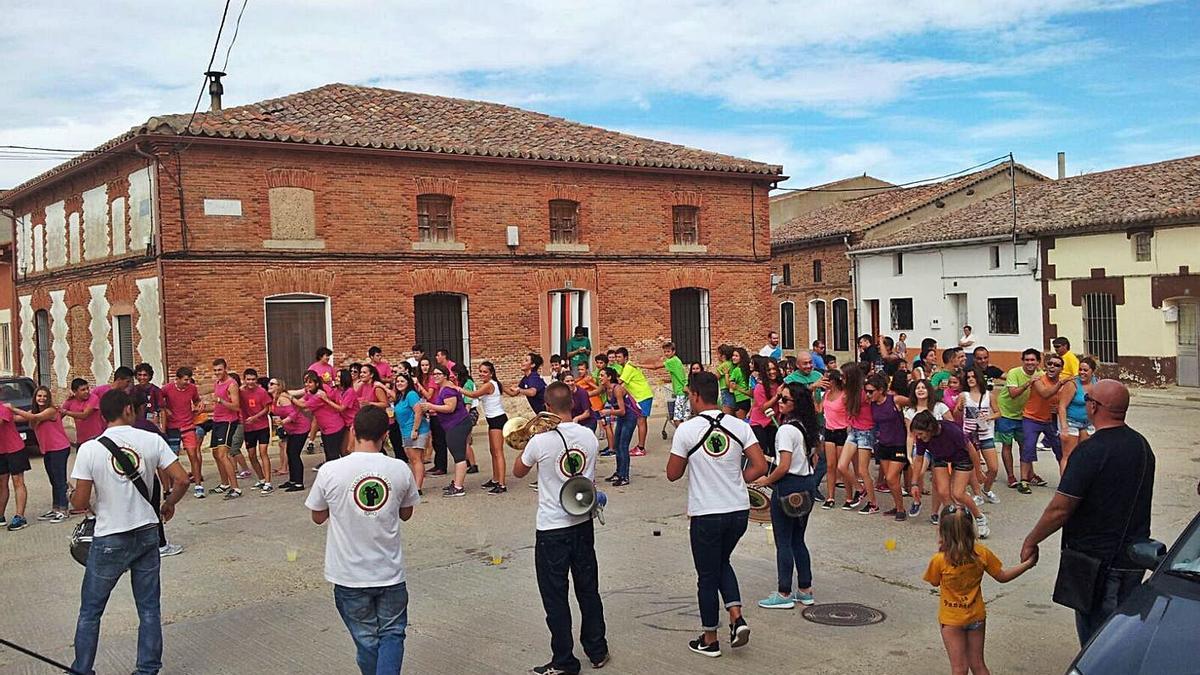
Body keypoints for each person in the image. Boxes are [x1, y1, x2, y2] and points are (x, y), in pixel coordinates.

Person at [1021, 379, 1154, 646]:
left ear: (1095, 407)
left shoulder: (1091, 451)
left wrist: (1032, 540)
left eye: (1088, 399)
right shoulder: (1141, 445)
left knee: (1098, 644)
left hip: (1097, 565)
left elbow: (1060, 509)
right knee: (1123, 636)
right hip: (1133, 558)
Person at [69, 389, 189, 675]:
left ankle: (82, 668)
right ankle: (147, 669)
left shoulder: (90, 449)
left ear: (102, 415)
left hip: (110, 535)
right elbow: (182, 479)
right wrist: (168, 503)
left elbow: (80, 503)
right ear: (127, 410)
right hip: (147, 531)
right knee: (148, 608)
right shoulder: (151, 440)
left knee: (91, 611)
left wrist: (75, 494)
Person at [305, 406, 420, 675]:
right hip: (389, 571)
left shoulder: (330, 471)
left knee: (367, 640)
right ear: (385, 434)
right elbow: (406, 513)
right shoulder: (399, 469)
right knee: (392, 634)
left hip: (349, 574)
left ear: (353, 430)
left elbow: (317, 516)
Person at [666, 371, 768, 658]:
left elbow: (672, 474)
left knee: (707, 576)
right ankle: (737, 618)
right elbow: (760, 466)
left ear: (696, 396)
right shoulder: (739, 425)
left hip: (707, 512)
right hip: (738, 510)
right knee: (722, 561)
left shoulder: (686, 430)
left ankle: (710, 638)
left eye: (689, 395)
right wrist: (736, 479)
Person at [510, 382, 609, 674]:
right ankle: (597, 649)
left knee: (555, 595)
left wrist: (532, 436)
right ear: (574, 405)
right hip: (582, 522)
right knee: (588, 589)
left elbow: (518, 471)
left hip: (552, 527)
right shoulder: (589, 436)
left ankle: (564, 660)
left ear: (547, 407)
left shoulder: (540, 441)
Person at [926, 507, 1035, 675]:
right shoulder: (981, 553)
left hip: (952, 619)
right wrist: (1027, 564)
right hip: (976, 615)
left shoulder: (939, 560)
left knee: (959, 668)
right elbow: (1002, 576)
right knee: (978, 665)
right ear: (971, 528)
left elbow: (934, 582)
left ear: (942, 531)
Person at [753, 382, 820, 608]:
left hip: (789, 485)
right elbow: (815, 458)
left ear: (795, 404)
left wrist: (766, 480)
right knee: (798, 539)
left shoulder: (785, 430)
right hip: (807, 484)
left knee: (784, 542)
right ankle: (805, 588)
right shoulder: (807, 427)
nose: (779, 402)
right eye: (780, 398)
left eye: (784, 399)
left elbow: (783, 466)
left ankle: (783, 593)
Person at [911, 412, 989, 537]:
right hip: (940, 457)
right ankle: (954, 523)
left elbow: (971, 449)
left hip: (962, 457)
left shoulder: (952, 430)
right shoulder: (922, 438)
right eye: (917, 434)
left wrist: (978, 471)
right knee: (943, 492)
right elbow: (918, 459)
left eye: (920, 434)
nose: (918, 437)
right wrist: (914, 483)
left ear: (930, 428)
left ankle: (980, 518)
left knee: (958, 493)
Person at [11, 386, 72, 523]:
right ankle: (56, 508)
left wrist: (13, 408)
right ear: (35, 397)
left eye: (45, 396)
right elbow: (18, 418)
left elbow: (33, 417)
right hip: (48, 449)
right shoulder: (33, 411)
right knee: (53, 480)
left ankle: (64, 509)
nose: (42, 398)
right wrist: (5, 411)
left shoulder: (51, 411)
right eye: (39, 396)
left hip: (60, 448)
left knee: (59, 480)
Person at [420, 366, 471, 497]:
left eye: (438, 374)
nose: (435, 376)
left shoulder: (448, 389)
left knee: (459, 456)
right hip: (453, 425)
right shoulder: (444, 387)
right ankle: (456, 483)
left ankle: (459, 487)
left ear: (445, 375)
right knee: (457, 454)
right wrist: (434, 409)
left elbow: (450, 407)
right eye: (434, 374)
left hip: (457, 424)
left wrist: (432, 406)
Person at [458, 361, 507, 494]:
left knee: (498, 452)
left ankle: (502, 484)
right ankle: (496, 479)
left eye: (485, 372)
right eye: (480, 371)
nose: (482, 374)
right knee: (493, 451)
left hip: (498, 419)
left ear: (491, 373)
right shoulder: (493, 384)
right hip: (492, 419)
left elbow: (474, 395)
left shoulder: (490, 384)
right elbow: (510, 392)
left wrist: (458, 389)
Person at [836, 364, 878, 514]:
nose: (841, 379)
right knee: (842, 466)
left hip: (866, 431)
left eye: (843, 376)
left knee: (862, 470)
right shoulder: (849, 393)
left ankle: (873, 504)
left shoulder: (863, 392)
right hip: (854, 431)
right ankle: (860, 490)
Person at [867, 373, 908, 520]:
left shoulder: (895, 400)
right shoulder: (871, 404)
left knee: (891, 478)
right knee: (891, 481)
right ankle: (897, 507)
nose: (868, 394)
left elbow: (915, 405)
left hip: (899, 444)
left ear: (881, 390)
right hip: (883, 445)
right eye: (867, 391)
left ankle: (901, 509)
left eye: (871, 391)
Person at [957, 367, 1001, 506]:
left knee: (993, 468)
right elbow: (956, 415)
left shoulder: (989, 395)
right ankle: (977, 494)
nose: (970, 379)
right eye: (968, 377)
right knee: (974, 468)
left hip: (985, 434)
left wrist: (989, 417)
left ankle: (986, 489)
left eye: (973, 377)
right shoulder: (964, 395)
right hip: (969, 436)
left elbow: (998, 413)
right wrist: (959, 407)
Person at [997, 349, 1039, 492]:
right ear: (1022, 361)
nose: (1029, 363)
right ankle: (1010, 476)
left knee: (1025, 445)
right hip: (1006, 413)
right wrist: (1028, 383)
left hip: (1025, 415)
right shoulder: (1014, 373)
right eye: (1027, 360)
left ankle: (1029, 474)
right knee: (1007, 445)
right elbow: (1013, 393)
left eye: (1032, 360)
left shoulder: (1041, 375)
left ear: (1038, 362)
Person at [1021, 354, 1066, 487]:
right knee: (1028, 447)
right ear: (1046, 366)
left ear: (1061, 369)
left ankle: (1066, 481)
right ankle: (1024, 481)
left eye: (1057, 365)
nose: (1052, 367)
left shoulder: (1063, 385)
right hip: (1031, 418)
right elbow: (1045, 394)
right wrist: (1059, 385)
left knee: (1059, 449)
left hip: (1049, 420)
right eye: (1050, 364)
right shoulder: (1038, 380)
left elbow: (1064, 403)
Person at [161, 368, 203, 498]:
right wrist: (165, 410)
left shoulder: (192, 388)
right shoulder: (167, 388)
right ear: (177, 379)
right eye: (185, 380)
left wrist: (199, 405)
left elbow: (196, 400)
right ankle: (173, 486)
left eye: (189, 379)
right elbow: (159, 401)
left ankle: (198, 485)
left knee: (193, 454)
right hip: (172, 427)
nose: (187, 382)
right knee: (173, 457)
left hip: (188, 425)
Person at [293, 369, 347, 466]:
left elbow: (303, 405)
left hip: (334, 427)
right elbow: (301, 401)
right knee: (329, 455)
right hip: (325, 429)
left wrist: (289, 397)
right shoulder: (311, 393)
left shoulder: (319, 394)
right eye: (305, 382)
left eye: (310, 382)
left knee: (333, 455)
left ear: (317, 383)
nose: (306, 384)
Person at [599, 367, 639, 487]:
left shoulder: (617, 389)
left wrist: (608, 412)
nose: (599, 377)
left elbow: (622, 411)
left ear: (609, 377)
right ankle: (618, 472)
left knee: (623, 445)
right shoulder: (606, 389)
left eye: (602, 375)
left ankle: (624, 476)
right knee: (617, 445)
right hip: (622, 418)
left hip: (630, 417)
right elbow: (593, 393)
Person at [209, 358, 243, 499]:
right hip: (217, 420)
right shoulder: (217, 383)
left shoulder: (231, 384)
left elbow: (236, 406)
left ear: (225, 369)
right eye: (215, 370)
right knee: (216, 454)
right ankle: (224, 484)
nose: (217, 372)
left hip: (228, 422)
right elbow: (216, 405)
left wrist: (220, 400)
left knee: (224, 455)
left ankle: (236, 488)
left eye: (220, 370)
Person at [1058, 357, 1098, 469]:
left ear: (1092, 371)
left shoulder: (1096, 383)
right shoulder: (1072, 384)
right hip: (1072, 422)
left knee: (1084, 455)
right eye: (1080, 369)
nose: (1082, 373)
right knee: (1069, 455)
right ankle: (1065, 484)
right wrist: (1064, 427)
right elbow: (1062, 407)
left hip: (1088, 423)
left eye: (1085, 370)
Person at [612, 347, 654, 456]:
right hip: (640, 396)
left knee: (641, 421)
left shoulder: (628, 367)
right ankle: (640, 446)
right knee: (640, 421)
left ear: (626, 357)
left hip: (642, 396)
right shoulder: (625, 367)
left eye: (619, 357)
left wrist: (608, 377)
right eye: (616, 357)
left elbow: (619, 382)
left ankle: (641, 448)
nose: (617, 359)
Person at [392, 373, 429, 495]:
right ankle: (415, 484)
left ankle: (417, 487)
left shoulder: (411, 395)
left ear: (408, 383)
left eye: (402, 381)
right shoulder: (400, 397)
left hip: (415, 430)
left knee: (416, 459)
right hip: (405, 431)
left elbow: (418, 412)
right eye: (397, 381)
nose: (399, 383)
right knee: (412, 459)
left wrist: (415, 429)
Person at [272, 378, 311, 492]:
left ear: (279, 386)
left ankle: (299, 483)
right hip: (292, 429)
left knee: (294, 454)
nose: (269, 385)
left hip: (300, 427)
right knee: (290, 452)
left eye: (272, 384)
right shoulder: (276, 397)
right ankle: (293, 480)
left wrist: (282, 422)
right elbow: (300, 391)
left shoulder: (283, 397)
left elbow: (293, 414)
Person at [240, 368, 275, 494]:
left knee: (263, 452)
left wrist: (255, 417)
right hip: (249, 428)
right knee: (251, 455)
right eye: (248, 379)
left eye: (253, 379)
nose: (250, 382)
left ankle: (268, 482)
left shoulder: (261, 392)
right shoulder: (240, 392)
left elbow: (267, 408)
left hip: (262, 426)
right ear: (244, 380)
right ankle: (261, 479)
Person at [0, 392, 31, 531]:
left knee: (17, 482)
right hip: (1, 452)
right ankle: (0, 516)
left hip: (15, 449)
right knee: (2, 484)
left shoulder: (3, 409)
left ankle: (20, 517)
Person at [61, 377, 105, 446]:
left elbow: (84, 415)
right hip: (81, 440)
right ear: (75, 391)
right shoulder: (70, 401)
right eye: (83, 390)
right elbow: (59, 416)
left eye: (87, 388)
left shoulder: (93, 398)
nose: (87, 391)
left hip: (95, 438)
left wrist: (66, 412)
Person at [659, 342, 689, 428]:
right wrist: (667, 380)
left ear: (673, 351)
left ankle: (682, 436)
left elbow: (655, 366)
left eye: (668, 351)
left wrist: (639, 365)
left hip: (680, 392)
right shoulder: (677, 360)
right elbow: (678, 375)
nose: (666, 354)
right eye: (665, 352)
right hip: (683, 390)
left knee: (676, 419)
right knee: (684, 417)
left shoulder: (671, 361)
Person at [133, 363, 166, 431]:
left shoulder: (155, 390)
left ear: (149, 376)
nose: (142, 377)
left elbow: (162, 411)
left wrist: (163, 430)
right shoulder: (133, 390)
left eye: (145, 375)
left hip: (152, 424)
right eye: (139, 375)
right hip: (137, 425)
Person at [727, 347, 753, 420]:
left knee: (742, 422)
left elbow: (730, 385)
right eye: (733, 355)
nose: (733, 358)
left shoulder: (736, 370)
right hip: (748, 399)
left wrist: (726, 374)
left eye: (736, 356)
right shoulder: (746, 369)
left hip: (739, 399)